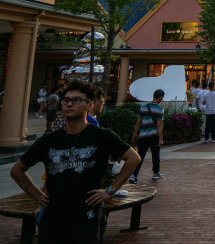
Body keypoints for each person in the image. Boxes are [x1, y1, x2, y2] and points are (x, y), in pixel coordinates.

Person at [10, 81, 140, 244]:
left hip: (85, 215)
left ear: (90, 105)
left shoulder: (101, 136)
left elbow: (133, 158)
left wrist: (110, 191)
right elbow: (17, 171)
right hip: (53, 216)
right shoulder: (49, 140)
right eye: (66, 100)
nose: (69, 104)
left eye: (76, 100)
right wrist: (38, 196)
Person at [130, 89, 165, 183]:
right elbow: (159, 125)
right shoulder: (160, 109)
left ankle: (134, 175)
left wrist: (135, 135)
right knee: (155, 155)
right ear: (160, 97)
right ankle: (155, 173)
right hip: (154, 136)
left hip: (143, 135)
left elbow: (138, 123)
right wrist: (161, 138)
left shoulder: (143, 107)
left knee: (140, 156)